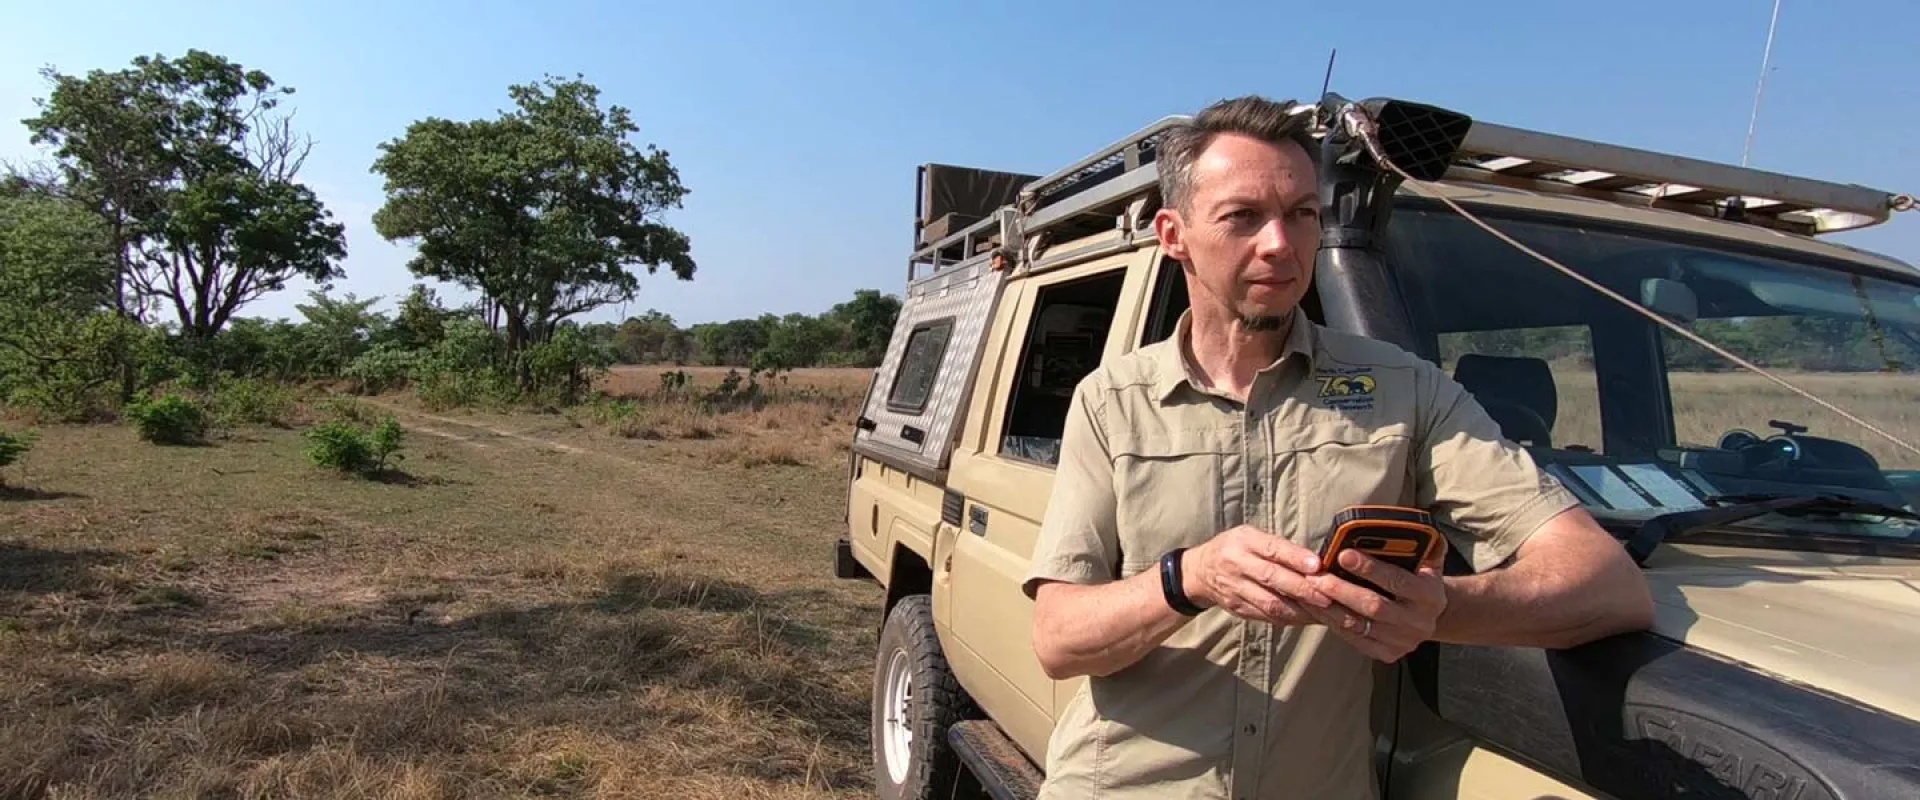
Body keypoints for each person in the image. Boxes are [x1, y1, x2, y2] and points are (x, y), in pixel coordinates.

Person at [1021, 95, 1655, 800]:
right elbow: (1058, 639)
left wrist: (1439, 607)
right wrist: (1186, 578)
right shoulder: (1112, 402)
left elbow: (1608, 585)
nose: (1281, 245)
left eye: (1301, 214)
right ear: (1174, 234)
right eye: (1242, 217)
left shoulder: (1405, 390)